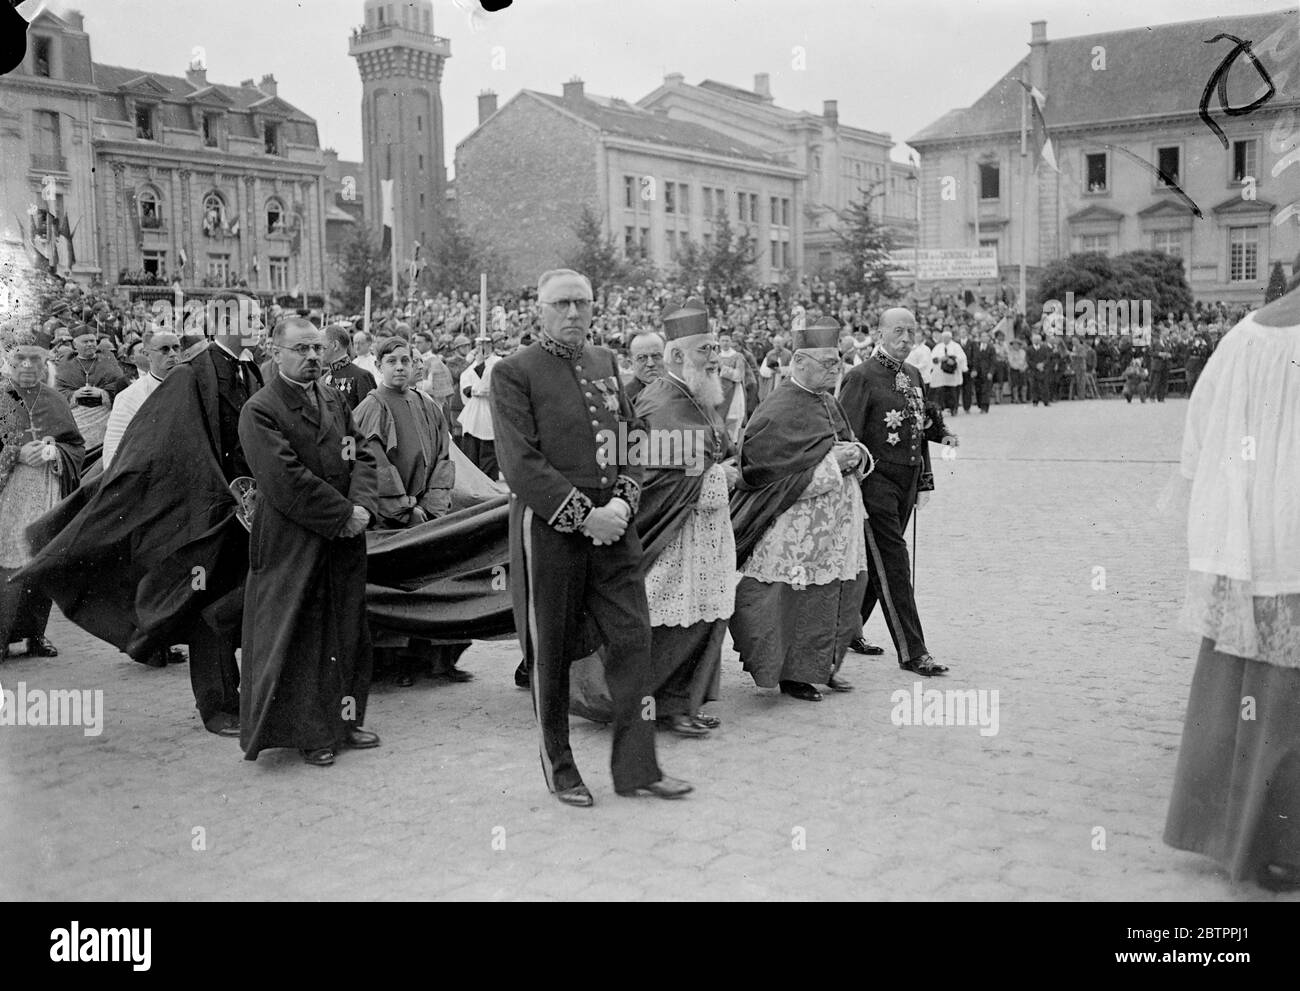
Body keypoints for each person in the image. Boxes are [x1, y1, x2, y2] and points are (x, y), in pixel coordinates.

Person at [491, 268, 689, 806]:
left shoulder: (604, 362)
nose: (573, 313)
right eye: (562, 304)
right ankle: (560, 766)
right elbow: (521, 463)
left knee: (632, 641)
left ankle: (637, 768)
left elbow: (630, 437)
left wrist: (625, 498)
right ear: (540, 311)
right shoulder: (513, 372)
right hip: (553, 529)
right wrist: (584, 515)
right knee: (550, 652)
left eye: (582, 303)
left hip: (616, 527)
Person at [1164, 284, 1300, 892]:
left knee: (1247, 682)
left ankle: (1235, 834)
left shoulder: (1245, 335)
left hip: (1256, 537)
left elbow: (1200, 433)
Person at [237, 317, 381, 767]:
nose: (313, 357)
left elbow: (362, 453)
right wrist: (341, 514)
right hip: (294, 539)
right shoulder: (260, 409)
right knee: (303, 634)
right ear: (275, 352)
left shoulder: (334, 398)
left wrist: (361, 508)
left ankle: (345, 718)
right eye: (301, 349)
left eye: (317, 349)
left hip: (344, 534)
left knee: (346, 626)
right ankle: (311, 731)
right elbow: (284, 479)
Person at [729, 316, 872, 702]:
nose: (836, 367)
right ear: (799, 362)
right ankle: (792, 674)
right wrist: (833, 464)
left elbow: (847, 445)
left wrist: (857, 454)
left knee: (838, 592)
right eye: (827, 362)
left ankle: (824, 666)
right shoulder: (777, 408)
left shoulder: (828, 401)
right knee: (795, 597)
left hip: (836, 527)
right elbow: (763, 469)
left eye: (838, 360)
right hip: (795, 526)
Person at [632, 299, 736, 736]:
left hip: (703, 527)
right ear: (677, 356)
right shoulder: (659, 400)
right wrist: (718, 476)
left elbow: (718, 449)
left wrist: (726, 467)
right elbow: (655, 473)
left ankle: (685, 701)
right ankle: (660, 708)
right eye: (705, 351)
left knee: (701, 616)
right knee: (671, 622)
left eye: (716, 349)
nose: (715, 359)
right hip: (670, 530)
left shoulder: (697, 393)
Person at [839, 307, 957, 676]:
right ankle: (913, 651)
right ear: (879, 333)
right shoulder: (861, 377)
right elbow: (845, 434)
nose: (905, 340)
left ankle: (848, 631)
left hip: (907, 481)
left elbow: (923, 419)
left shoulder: (914, 373)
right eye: (898, 332)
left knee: (879, 562)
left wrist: (944, 434)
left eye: (911, 332)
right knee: (894, 564)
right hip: (875, 484)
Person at [354, 336, 468, 687]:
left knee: (433, 584)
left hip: (425, 511)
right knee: (394, 589)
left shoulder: (427, 403)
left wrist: (430, 506)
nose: (401, 367)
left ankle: (436, 657)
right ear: (379, 365)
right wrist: (405, 508)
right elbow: (374, 464)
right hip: (391, 516)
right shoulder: (372, 406)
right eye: (392, 362)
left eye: (406, 360)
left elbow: (443, 457)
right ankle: (396, 662)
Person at [0, 342, 84, 660]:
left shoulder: (55, 399)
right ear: (9, 363)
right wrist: (15, 452)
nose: (27, 366)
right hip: (8, 494)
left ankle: (36, 634)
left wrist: (55, 452)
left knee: (41, 563)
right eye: (20, 359)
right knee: (6, 564)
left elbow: (75, 445)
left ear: (44, 363)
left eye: (34, 360)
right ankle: (2, 638)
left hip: (48, 489)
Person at [101, 331, 181, 469]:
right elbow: (113, 450)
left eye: (176, 347)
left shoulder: (193, 385)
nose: (173, 354)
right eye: (165, 349)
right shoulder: (130, 396)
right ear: (146, 354)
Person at [54, 328, 128, 447]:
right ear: (75, 344)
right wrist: (74, 395)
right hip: (77, 417)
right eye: (85, 342)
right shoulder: (66, 364)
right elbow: (58, 390)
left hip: (105, 415)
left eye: (92, 341)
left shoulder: (108, 359)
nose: (90, 344)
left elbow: (121, 384)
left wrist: (103, 393)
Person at [458, 335, 499, 479]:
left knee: (488, 457)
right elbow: (466, 388)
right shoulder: (472, 365)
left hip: (489, 415)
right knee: (471, 456)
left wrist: (482, 367)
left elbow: (489, 387)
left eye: (486, 344)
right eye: (479, 344)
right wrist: (476, 389)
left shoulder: (497, 362)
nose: (482, 348)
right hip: (473, 415)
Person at [321, 324, 377, 412]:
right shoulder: (323, 379)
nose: (317, 352)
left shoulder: (362, 377)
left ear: (335, 345)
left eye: (320, 347)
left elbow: (369, 417)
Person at [929, 330, 966, 415]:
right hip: (941, 375)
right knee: (942, 393)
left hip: (952, 374)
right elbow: (932, 358)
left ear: (950, 338)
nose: (945, 339)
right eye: (943, 338)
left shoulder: (956, 346)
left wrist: (953, 361)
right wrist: (940, 359)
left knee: (953, 392)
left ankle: (954, 409)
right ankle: (943, 408)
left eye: (947, 338)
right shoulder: (938, 347)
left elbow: (962, 357)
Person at [626, 331, 664, 403]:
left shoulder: (683, 391)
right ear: (631, 363)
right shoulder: (624, 399)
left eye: (656, 356)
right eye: (641, 358)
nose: (650, 364)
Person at [1027, 332, 1054, 406]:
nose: (1036, 341)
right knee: (1034, 387)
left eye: (1038, 340)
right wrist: (1036, 366)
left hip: (1043, 370)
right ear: (1032, 341)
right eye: (1035, 340)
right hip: (1033, 370)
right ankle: (1035, 401)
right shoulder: (1029, 349)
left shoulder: (1045, 348)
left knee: (1045, 386)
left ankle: (1046, 401)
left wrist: (1042, 364)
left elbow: (1047, 358)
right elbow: (1028, 360)